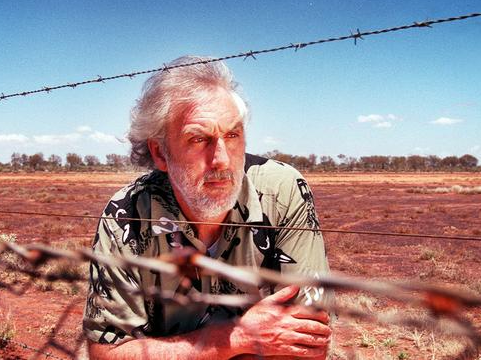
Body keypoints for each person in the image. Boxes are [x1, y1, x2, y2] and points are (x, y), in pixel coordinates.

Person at [83, 55, 333, 359]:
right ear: (160, 152)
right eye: (199, 139)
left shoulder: (282, 192)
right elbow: (107, 353)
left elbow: (307, 342)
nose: (223, 160)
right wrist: (233, 339)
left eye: (232, 135)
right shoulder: (127, 216)